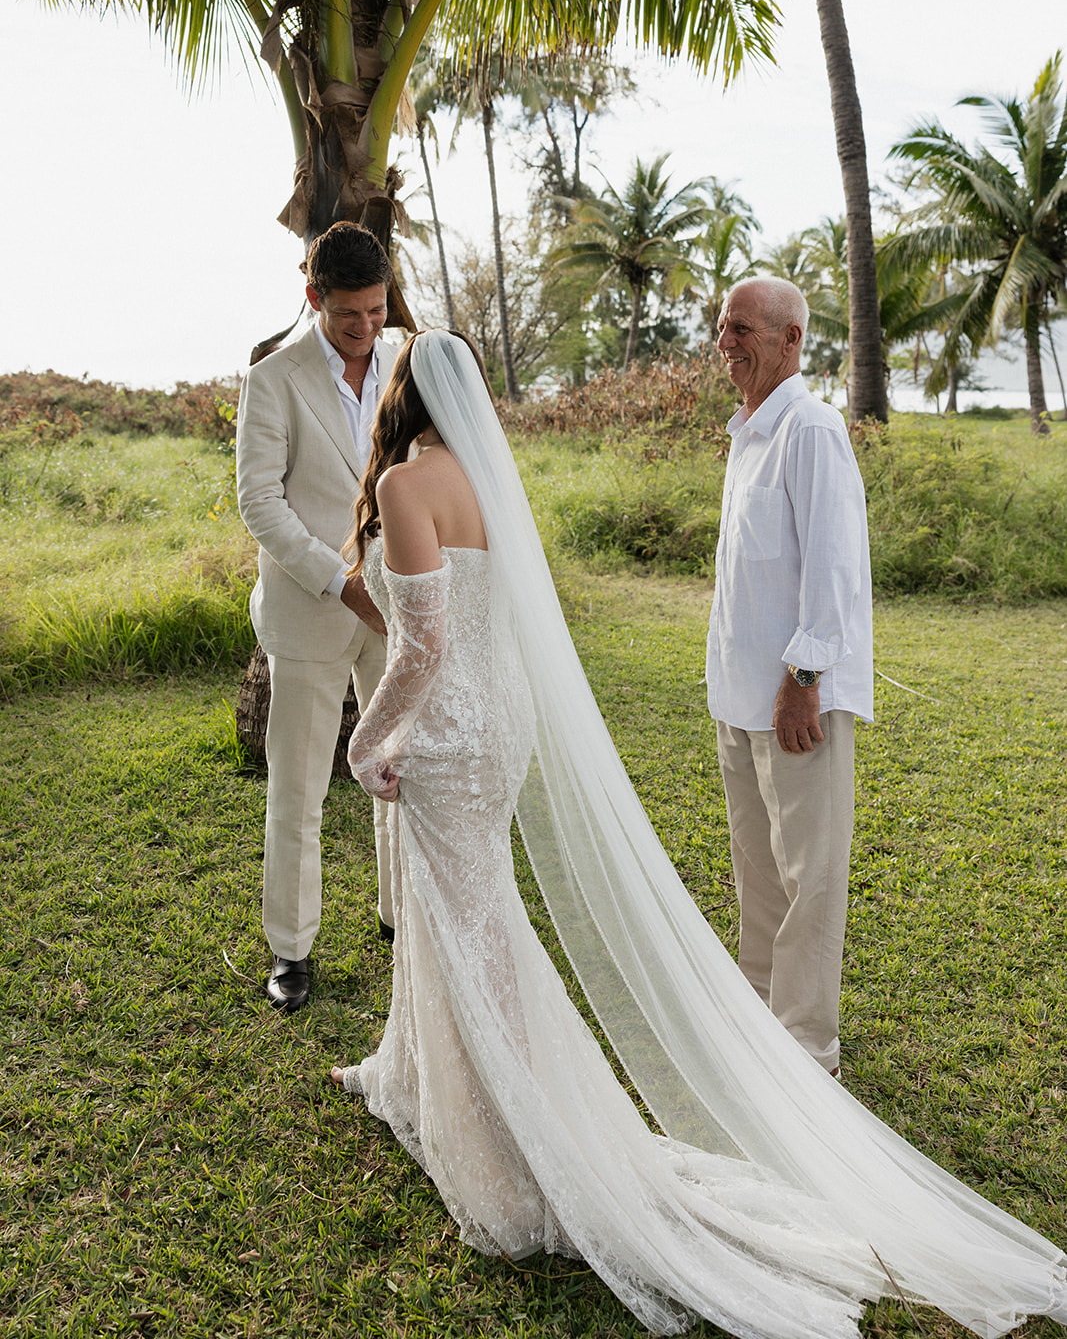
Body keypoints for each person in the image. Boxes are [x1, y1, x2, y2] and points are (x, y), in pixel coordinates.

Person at [329, 328, 1066, 1339]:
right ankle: (410, 1067)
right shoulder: (481, 479)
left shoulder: (411, 485)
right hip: (497, 723)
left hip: (448, 732)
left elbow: (421, 648)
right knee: (468, 911)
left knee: (472, 925)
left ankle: (513, 1137)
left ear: (398, 396)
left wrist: (368, 738)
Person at [706, 275, 872, 1077]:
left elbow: (835, 571)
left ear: (791, 340)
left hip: (794, 700)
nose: (725, 343)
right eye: (722, 328)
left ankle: (807, 1048)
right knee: (758, 870)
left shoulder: (808, 429)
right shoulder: (747, 433)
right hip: (738, 701)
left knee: (810, 877)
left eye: (741, 329)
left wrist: (802, 677)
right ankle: (763, 1021)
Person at [235, 222, 400, 1012]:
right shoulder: (273, 379)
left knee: (398, 772)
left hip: (396, 604)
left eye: (375, 311)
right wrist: (340, 582)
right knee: (297, 788)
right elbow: (259, 504)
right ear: (313, 299)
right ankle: (291, 951)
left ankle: (402, 918)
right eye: (348, 317)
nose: (366, 330)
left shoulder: (406, 357)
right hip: (310, 611)